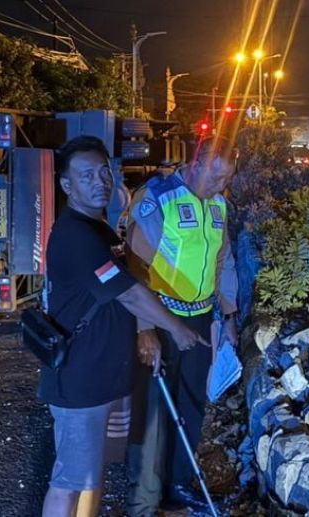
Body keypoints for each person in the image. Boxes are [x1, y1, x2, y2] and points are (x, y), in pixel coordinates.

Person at [39, 136, 207, 517]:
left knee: (91, 475)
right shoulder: (75, 236)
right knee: (69, 481)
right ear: (67, 185)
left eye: (105, 172)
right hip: (80, 382)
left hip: (104, 378)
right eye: (87, 176)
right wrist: (176, 330)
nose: (101, 181)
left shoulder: (100, 229)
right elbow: (129, 293)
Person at [125, 136, 239, 515]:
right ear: (193, 164)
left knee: (191, 405)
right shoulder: (159, 199)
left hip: (201, 316)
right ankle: (144, 495)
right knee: (155, 411)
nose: (218, 187)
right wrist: (144, 327)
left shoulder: (219, 206)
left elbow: (223, 262)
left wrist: (228, 316)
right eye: (214, 177)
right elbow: (135, 269)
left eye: (226, 179)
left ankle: (176, 485)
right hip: (160, 318)